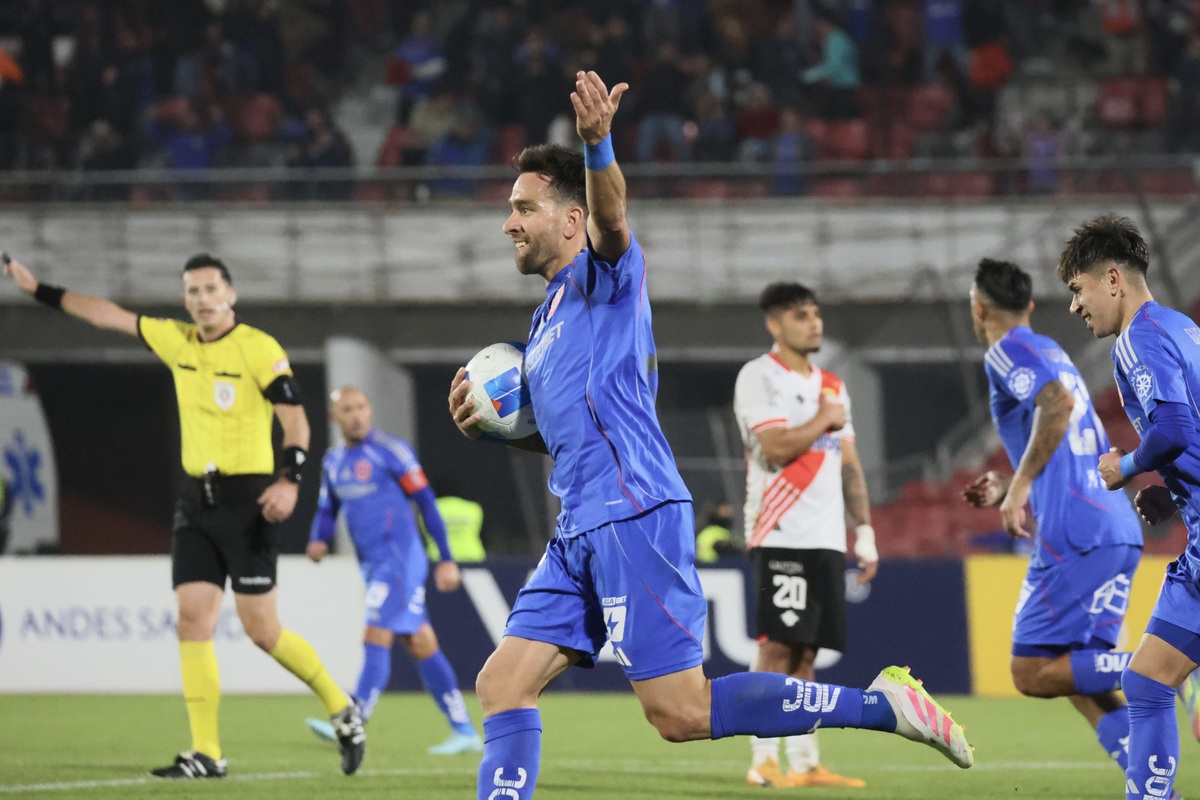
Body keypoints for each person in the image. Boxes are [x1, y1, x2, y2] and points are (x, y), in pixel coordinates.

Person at [446, 70, 973, 800]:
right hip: (579, 527)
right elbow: (569, 436)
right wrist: (501, 432)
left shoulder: (607, 276)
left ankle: (884, 707)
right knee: (503, 683)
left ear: (568, 221)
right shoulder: (542, 324)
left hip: (633, 512)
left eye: (522, 207)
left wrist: (598, 148)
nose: (508, 222)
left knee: (680, 714)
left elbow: (615, 220)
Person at [0, 251, 365, 779]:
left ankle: (341, 707)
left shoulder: (258, 348)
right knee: (191, 621)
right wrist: (39, 290)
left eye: (211, 289)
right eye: (192, 291)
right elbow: (107, 314)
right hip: (195, 503)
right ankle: (207, 752)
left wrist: (290, 479)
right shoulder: (176, 340)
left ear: (230, 295)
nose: (201, 299)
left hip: (249, 501)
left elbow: (296, 420)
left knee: (263, 631)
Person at [961, 257, 1144, 783]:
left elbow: (1056, 407)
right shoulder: (1050, 350)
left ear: (979, 308)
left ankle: (1163, 668)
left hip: (1076, 531)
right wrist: (1010, 479)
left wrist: (1017, 489)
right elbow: (1062, 430)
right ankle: (1155, 786)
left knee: (1031, 672)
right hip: (1113, 523)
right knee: (1079, 679)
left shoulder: (1005, 350)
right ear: (1031, 305)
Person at [1058, 214, 1200, 800]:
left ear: (1112, 279)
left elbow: (1174, 424)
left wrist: (1127, 466)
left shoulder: (1139, 337)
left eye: (1077, 290)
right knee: (1146, 680)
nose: (1074, 307)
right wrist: (1169, 489)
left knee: (1149, 682)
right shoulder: (1183, 327)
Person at [733, 282, 878, 789]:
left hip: (824, 537)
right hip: (780, 533)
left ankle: (805, 760)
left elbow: (850, 466)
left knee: (808, 652)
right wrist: (823, 418)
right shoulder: (759, 377)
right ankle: (762, 759)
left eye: (816, 314)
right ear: (775, 324)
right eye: (800, 315)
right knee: (777, 648)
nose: (814, 323)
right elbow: (774, 447)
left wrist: (865, 533)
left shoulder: (834, 384)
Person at [304, 386, 482, 755]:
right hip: (371, 565)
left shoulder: (391, 450)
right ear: (334, 417)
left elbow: (427, 503)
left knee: (376, 632)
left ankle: (352, 719)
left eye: (361, 406)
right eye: (347, 409)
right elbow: (326, 508)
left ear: (369, 410)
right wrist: (318, 538)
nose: (356, 415)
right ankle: (464, 730)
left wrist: (445, 557)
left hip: (400, 561)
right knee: (420, 643)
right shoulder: (333, 461)